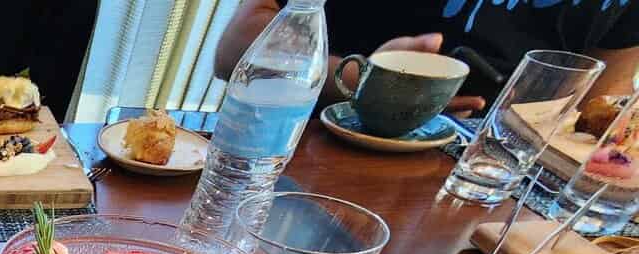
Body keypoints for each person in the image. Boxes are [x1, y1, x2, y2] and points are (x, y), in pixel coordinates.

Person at [215, 0, 639, 113]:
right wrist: (359, 81)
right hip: (312, 155)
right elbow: (235, 51)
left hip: (498, 206)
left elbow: (599, 112)